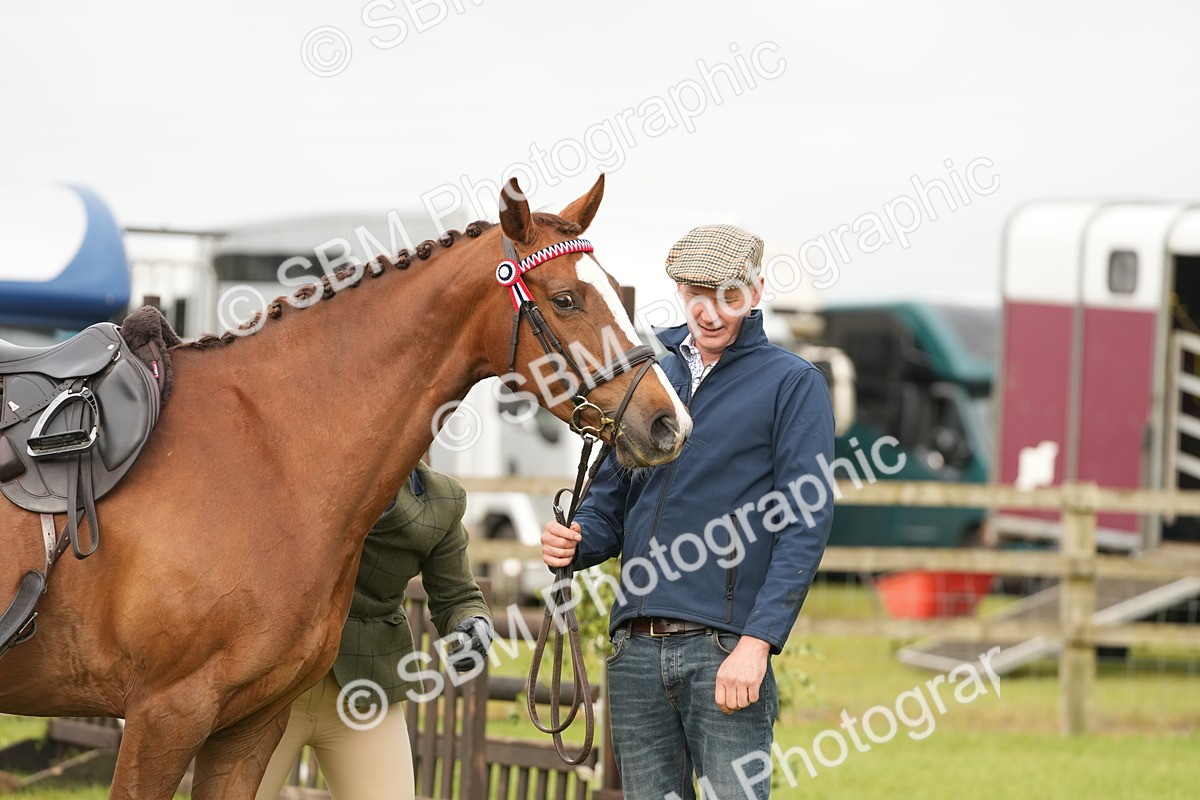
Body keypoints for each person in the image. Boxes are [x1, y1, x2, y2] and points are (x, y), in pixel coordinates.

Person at [541, 224, 835, 799]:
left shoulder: (792, 383)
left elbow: (805, 524)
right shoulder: (649, 374)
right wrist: (579, 540)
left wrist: (757, 644)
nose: (709, 311)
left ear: (755, 292)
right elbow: (611, 500)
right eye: (695, 294)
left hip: (723, 650)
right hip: (635, 649)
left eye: (727, 295)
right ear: (679, 289)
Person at [256, 462, 493, 800]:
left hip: (365, 693)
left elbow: (458, 595)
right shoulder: (298, 466)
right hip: (272, 690)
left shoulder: (443, 499)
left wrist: (473, 623)